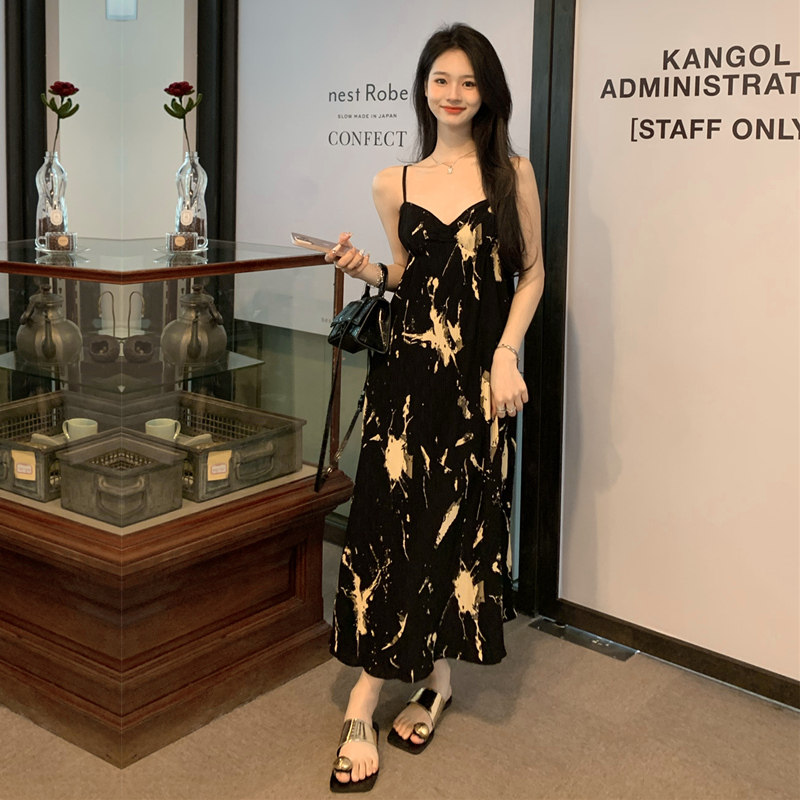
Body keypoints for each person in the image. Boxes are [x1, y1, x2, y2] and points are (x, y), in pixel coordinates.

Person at [325, 23, 544, 793]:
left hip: (476, 388)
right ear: (424, 87)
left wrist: (507, 353)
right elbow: (407, 273)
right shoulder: (394, 181)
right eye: (441, 79)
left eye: (469, 82)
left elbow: (532, 274)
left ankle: (434, 680)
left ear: (488, 93)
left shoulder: (512, 173)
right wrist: (365, 269)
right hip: (406, 383)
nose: (453, 94)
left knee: (454, 526)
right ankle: (370, 694)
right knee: (389, 526)